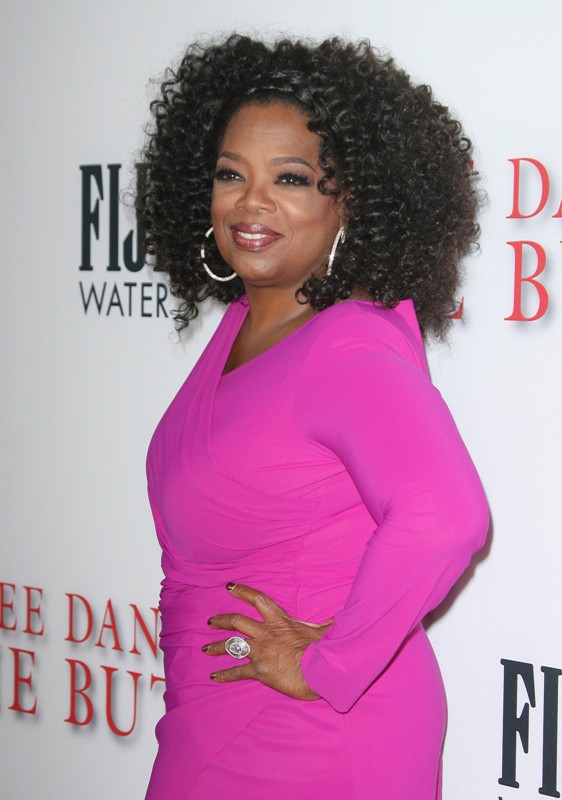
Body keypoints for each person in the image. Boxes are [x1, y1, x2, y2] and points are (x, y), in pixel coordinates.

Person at [137, 34, 489, 800]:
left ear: (349, 202)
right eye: (231, 174)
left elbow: (446, 515)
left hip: (315, 731)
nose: (251, 202)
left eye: (290, 178)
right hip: (221, 711)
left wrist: (328, 663)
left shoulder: (346, 344)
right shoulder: (247, 322)